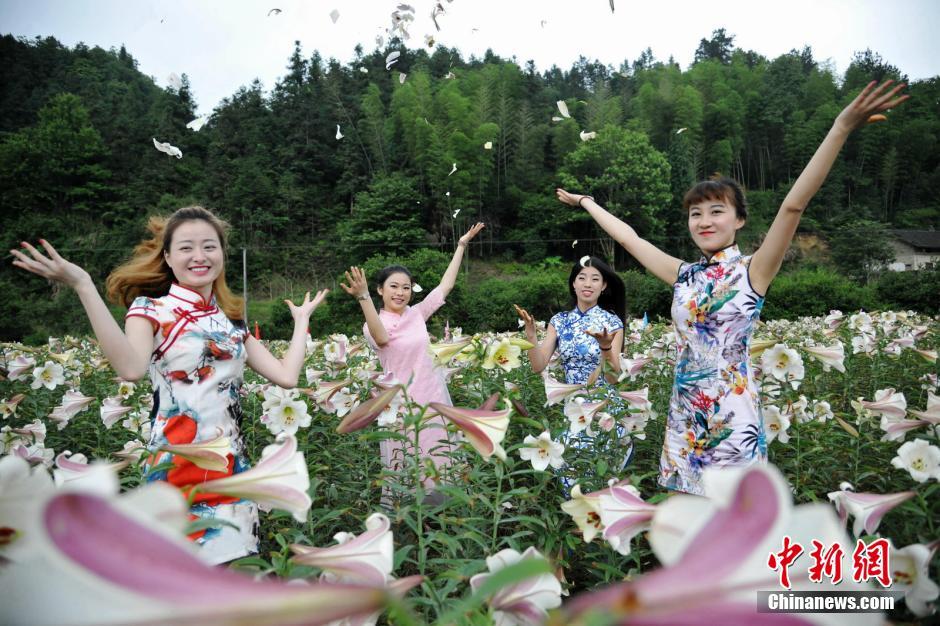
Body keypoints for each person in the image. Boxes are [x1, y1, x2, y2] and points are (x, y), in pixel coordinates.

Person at [556, 80, 908, 496]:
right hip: (685, 414)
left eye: (716, 211)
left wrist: (841, 128)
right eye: (695, 213)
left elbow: (793, 205)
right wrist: (586, 201)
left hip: (732, 416)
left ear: (739, 219)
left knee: (732, 518)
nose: (704, 221)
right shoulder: (684, 275)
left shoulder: (753, 271)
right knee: (689, 518)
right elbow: (630, 238)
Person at [10, 206, 327, 563]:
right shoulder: (150, 310)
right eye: (186, 248)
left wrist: (302, 321)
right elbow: (130, 368)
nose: (199, 256)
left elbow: (286, 376)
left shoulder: (231, 322)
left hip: (231, 473)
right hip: (176, 471)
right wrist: (84, 285)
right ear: (168, 257)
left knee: (228, 581)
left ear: (222, 254)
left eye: (209, 246)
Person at [340, 223, 484, 496]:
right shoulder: (374, 323)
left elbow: (445, 286)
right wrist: (362, 297)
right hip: (401, 406)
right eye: (393, 286)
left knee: (440, 462)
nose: (400, 292)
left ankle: (442, 515)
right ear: (380, 290)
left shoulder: (416, 314)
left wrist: (461, 244)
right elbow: (382, 338)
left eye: (406, 287)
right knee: (408, 467)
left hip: (432, 399)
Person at [514, 255, 633, 490]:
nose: (588, 284)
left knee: (603, 478)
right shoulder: (559, 321)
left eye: (595, 279)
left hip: (604, 408)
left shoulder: (612, 322)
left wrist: (605, 347)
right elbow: (538, 365)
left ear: (604, 286)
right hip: (574, 409)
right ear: (573, 283)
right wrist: (531, 335)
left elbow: (613, 377)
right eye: (582, 278)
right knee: (573, 475)